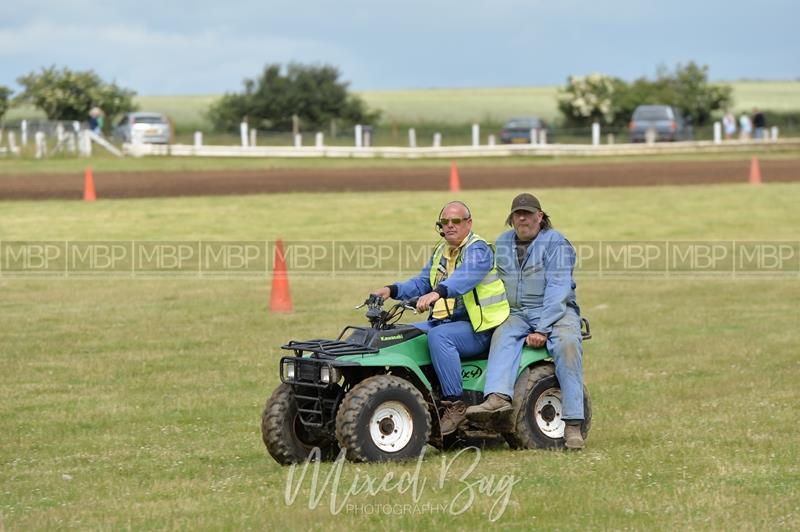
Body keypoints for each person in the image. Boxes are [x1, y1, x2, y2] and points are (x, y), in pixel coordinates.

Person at [372, 201, 509, 435]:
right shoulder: (441, 251)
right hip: (446, 321)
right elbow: (422, 281)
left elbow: (464, 278)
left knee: (440, 337)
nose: (450, 226)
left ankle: (455, 405)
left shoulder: (479, 250)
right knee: (402, 335)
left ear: (469, 223)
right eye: (445, 222)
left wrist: (437, 293)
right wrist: (391, 290)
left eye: (456, 221)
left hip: (479, 328)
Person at [465, 193, 587, 449]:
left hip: (557, 311)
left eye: (528, 213)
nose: (523, 218)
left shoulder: (556, 243)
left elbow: (558, 288)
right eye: (518, 214)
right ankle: (497, 397)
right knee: (501, 336)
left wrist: (543, 328)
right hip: (518, 313)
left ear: (540, 217)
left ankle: (573, 425)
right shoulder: (503, 242)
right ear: (511, 219)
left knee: (567, 345)